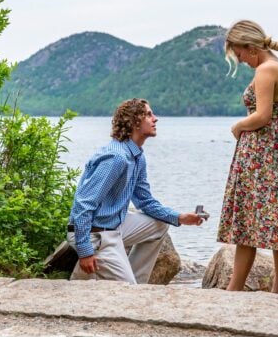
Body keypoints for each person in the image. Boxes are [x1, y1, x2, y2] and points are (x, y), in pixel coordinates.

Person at [217, 20, 278, 293]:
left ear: (250, 48)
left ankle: (234, 289)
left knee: (247, 220)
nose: (240, 60)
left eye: (238, 53)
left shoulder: (264, 70)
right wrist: (277, 132)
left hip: (261, 154)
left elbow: (262, 116)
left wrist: (239, 126)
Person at [67, 98, 204, 284]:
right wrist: (85, 250)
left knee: (160, 225)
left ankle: (136, 283)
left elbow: (145, 201)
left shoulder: (137, 157)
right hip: (96, 234)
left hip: (115, 226)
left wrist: (180, 217)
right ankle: (118, 281)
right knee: (127, 292)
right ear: (134, 122)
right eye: (148, 114)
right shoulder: (116, 158)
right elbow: (84, 203)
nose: (155, 119)